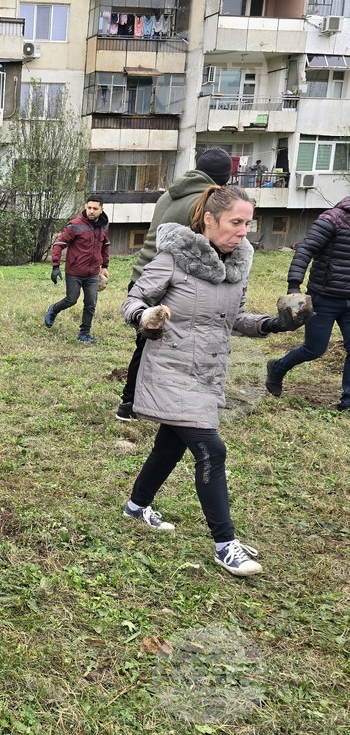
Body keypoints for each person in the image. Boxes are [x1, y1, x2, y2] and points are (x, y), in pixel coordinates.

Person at [120, 185, 307, 577]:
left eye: (248, 224)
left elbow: (235, 318)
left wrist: (273, 324)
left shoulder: (237, 267)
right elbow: (132, 301)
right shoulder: (173, 258)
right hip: (171, 370)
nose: (243, 232)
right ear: (209, 219)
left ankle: (136, 506)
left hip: (208, 373)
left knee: (170, 445)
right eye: (235, 222)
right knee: (211, 450)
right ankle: (225, 545)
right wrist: (146, 316)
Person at [116, 147, 233, 421]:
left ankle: (134, 403)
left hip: (144, 275)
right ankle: (132, 403)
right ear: (226, 177)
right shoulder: (207, 202)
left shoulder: (171, 192)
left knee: (147, 343)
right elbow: (203, 250)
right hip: (167, 282)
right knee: (154, 346)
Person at [266, 195, 350, 411]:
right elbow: (306, 249)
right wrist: (294, 286)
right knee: (314, 349)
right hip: (324, 297)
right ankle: (278, 367)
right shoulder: (333, 219)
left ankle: (348, 402)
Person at [44, 194, 110, 343]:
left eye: (95, 208)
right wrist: (55, 266)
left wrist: (105, 266)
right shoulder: (75, 225)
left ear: (101, 210)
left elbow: (105, 245)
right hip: (74, 272)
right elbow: (59, 244)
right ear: (85, 207)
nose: (91, 211)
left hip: (93, 272)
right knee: (71, 299)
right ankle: (54, 309)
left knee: (91, 303)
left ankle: (84, 334)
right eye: (89, 208)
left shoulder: (104, 225)